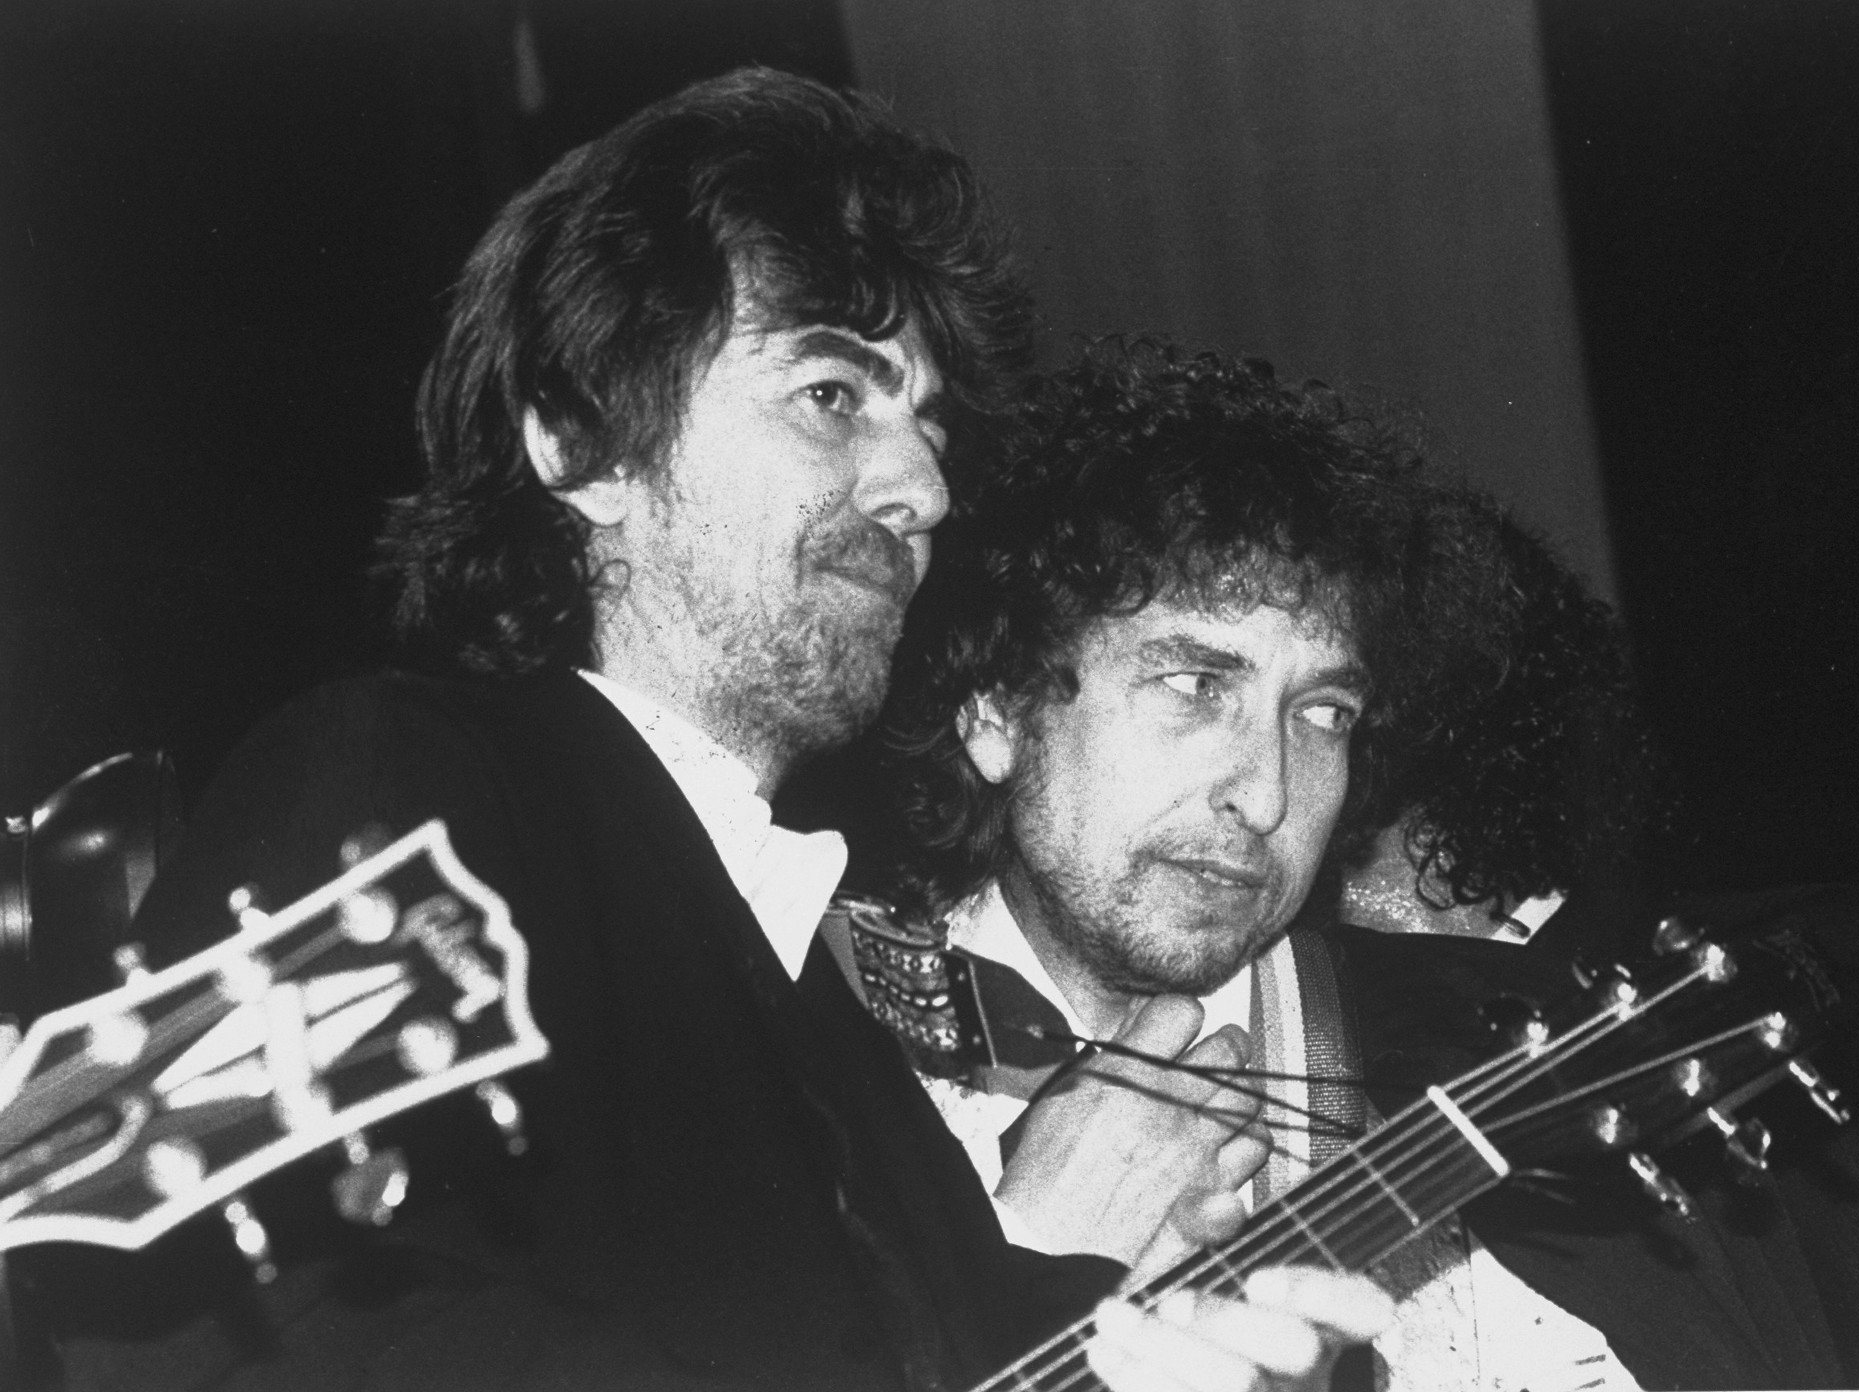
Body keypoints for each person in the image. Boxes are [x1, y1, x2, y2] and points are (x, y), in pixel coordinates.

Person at [14, 72, 1388, 1392]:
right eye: (832, 395)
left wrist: (1081, 1309)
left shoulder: (821, 998)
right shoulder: (398, 775)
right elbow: (172, 1317)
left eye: (930, 427)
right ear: (579, 441)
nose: (920, 485)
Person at [874, 342, 1859, 1389]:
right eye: (1195, 686)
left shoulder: (1503, 1069)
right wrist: (1023, 1258)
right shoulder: (809, 1074)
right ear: (996, 708)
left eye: (1321, 714)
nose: (1268, 792)